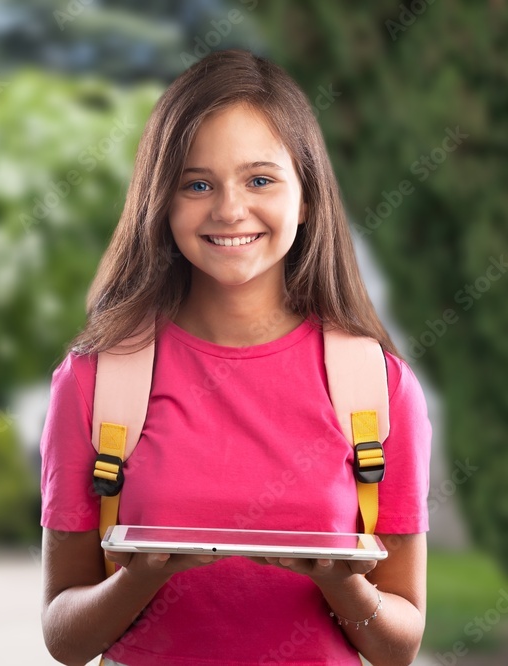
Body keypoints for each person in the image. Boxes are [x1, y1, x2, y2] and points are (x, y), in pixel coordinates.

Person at [39, 49, 431, 666]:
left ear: (307, 198)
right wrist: (138, 579)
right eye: (197, 184)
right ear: (160, 201)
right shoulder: (95, 381)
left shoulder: (377, 387)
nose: (228, 209)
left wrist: (340, 580)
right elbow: (64, 635)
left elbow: (400, 644)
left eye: (260, 179)